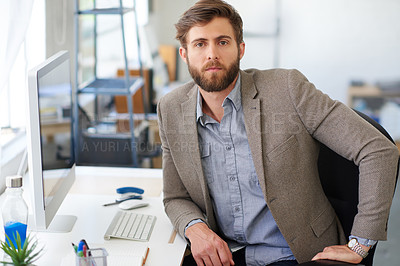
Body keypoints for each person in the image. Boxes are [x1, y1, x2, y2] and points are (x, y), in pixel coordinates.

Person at [156, 0, 399, 265]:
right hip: (225, 253)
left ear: (240, 49)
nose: (211, 54)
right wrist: (195, 227)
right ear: (184, 54)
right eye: (200, 44)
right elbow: (175, 196)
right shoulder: (171, 109)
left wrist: (361, 242)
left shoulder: (287, 89)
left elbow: (378, 150)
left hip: (296, 254)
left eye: (223, 42)